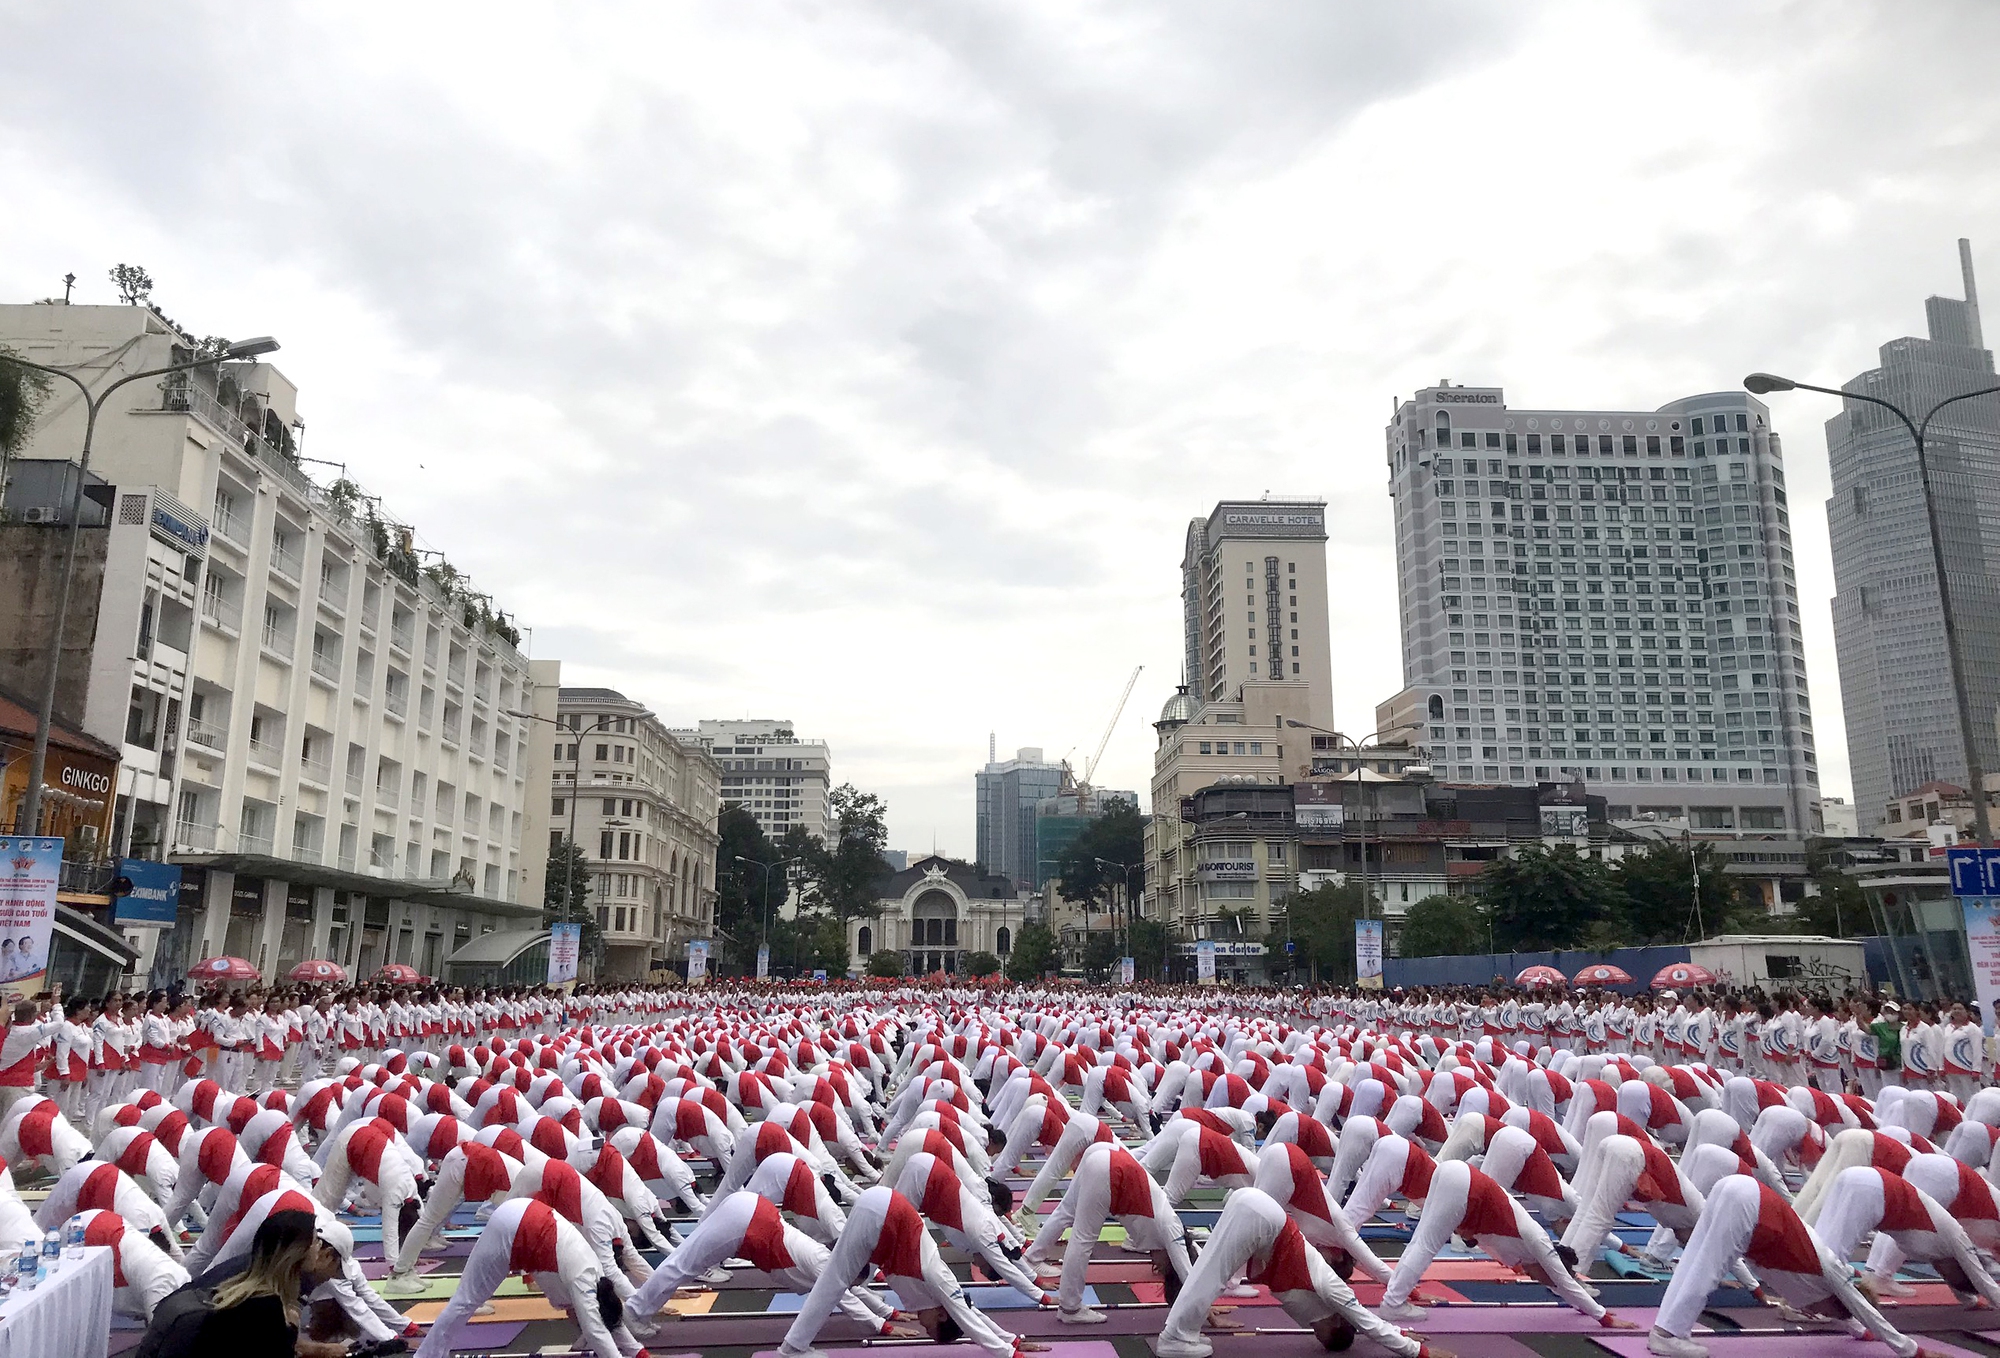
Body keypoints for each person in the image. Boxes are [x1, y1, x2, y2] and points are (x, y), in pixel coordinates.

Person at [1645, 1174, 1938, 1358]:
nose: (1814, 1313)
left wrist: (1861, 1332)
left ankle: (1666, 1332)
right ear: (1835, 1300)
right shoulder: (1829, 1271)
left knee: (1697, 1260)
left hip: (1737, 1191)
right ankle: (1669, 1335)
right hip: (1750, 1204)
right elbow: (1861, 1309)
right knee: (1704, 1269)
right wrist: (1913, 1350)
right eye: (1825, 1312)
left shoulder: (1821, 1290)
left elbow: (1849, 1317)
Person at [1152, 1186, 1448, 1358]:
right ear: (1334, 1323)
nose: (1314, 1335)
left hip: (1255, 1213)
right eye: (1323, 1338)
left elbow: (1362, 1324)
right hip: (1261, 1217)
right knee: (1211, 1276)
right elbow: (1362, 1317)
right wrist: (1415, 1351)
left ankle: (1181, 1332)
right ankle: (1175, 1337)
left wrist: (1399, 1331)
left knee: (1210, 1274)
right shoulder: (1329, 1287)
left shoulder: (1312, 1307)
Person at [775, 1186, 1039, 1358]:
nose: (922, 1326)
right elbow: (968, 1319)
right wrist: (1010, 1352)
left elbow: (967, 1309)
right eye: (930, 1328)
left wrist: (1011, 1340)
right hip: (883, 1213)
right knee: (834, 1281)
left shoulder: (934, 1295)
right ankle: (792, 1349)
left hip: (882, 1214)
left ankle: (794, 1346)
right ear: (941, 1314)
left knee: (847, 1279)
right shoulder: (937, 1280)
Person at [413, 1197, 643, 1358]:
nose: (578, 1325)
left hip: (527, 1214)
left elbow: (610, 1322)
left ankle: (433, 1353)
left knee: (465, 1301)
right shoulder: (583, 1284)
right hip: (514, 1226)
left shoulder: (598, 1281)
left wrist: (639, 1352)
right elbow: (596, 1330)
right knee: (466, 1300)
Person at [136, 1209, 352, 1358]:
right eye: (315, 1240)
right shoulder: (267, 1309)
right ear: (296, 1253)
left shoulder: (246, 1288)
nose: (318, 1247)